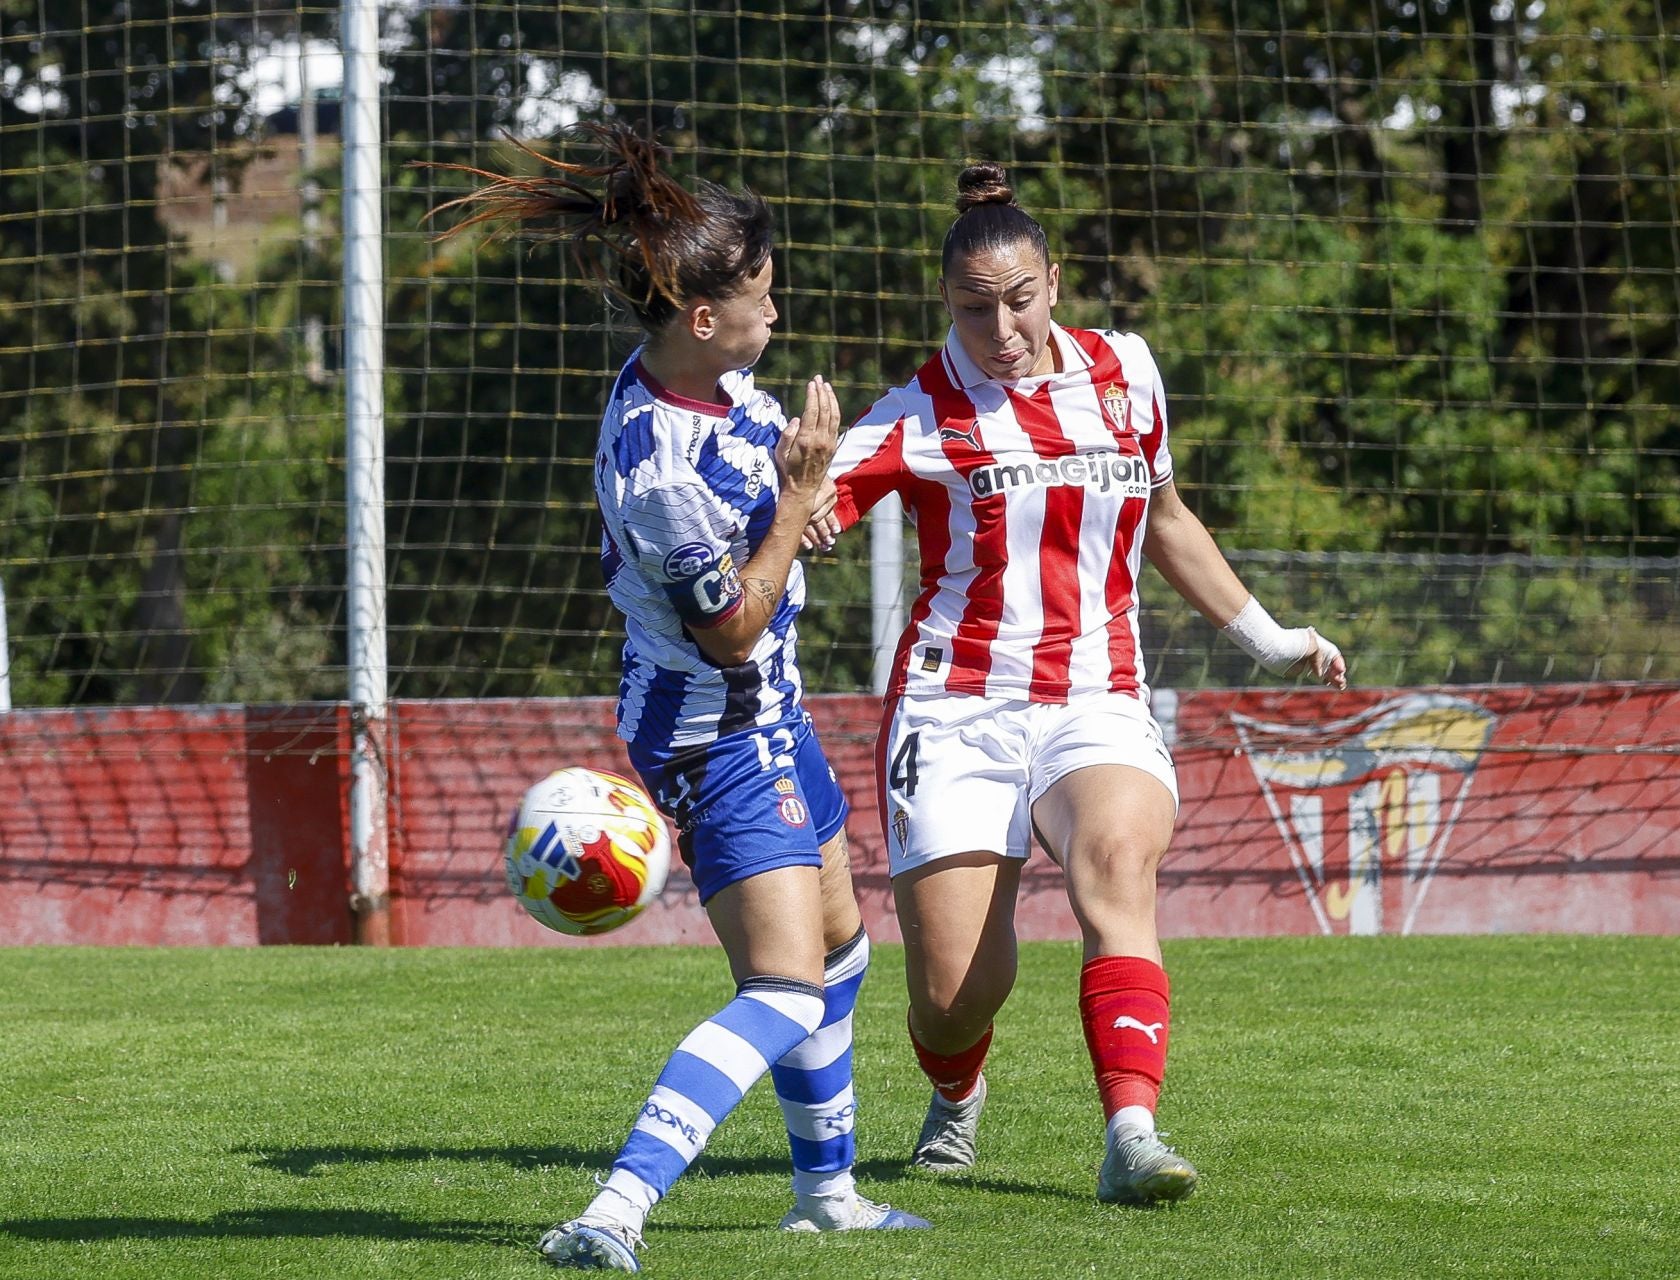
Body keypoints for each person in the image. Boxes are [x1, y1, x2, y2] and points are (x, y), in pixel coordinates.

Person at [430, 123, 929, 1272]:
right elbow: (728, 623)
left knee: (843, 952)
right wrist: (802, 504)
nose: (775, 309)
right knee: (784, 986)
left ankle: (829, 1192)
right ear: (701, 318)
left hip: (774, 713)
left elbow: (781, 485)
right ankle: (614, 1207)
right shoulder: (660, 468)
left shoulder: (704, 383)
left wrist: (827, 488)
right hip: (717, 733)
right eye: (760, 293)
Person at [813, 162, 1348, 1205]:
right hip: (956, 702)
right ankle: (956, 1085)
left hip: (1098, 691)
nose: (1001, 326)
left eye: (1019, 300)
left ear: (1054, 281)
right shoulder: (916, 410)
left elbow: (1169, 520)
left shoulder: (1126, 374)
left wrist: (1269, 637)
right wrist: (809, 521)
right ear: (947, 304)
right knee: (955, 994)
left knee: (1115, 859)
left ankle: (1132, 1132)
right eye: (976, 308)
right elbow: (811, 502)